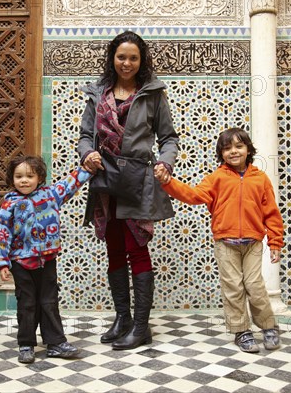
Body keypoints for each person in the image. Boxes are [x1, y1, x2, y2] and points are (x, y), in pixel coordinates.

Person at [77, 31, 179, 350]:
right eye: (121, 56)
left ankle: (140, 326)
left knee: (137, 249)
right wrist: (87, 154)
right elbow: (83, 136)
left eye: (133, 57)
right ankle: (122, 319)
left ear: (141, 60)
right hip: (106, 180)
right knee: (114, 249)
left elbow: (169, 138)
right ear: (112, 57)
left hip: (137, 179)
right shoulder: (97, 94)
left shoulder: (153, 94)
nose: (127, 63)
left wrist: (165, 162)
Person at [154, 128, 283, 353]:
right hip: (225, 242)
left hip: (253, 242)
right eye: (227, 148)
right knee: (233, 287)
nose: (233, 151)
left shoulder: (260, 178)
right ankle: (241, 331)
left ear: (248, 149)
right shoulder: (217, 178)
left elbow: (271, 212)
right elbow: (193, 196)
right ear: (221, 153)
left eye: (238, 146)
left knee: (255, 286)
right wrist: (168, 182)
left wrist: (275, 242)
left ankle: (268, 327)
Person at [0, 155, 91, 363]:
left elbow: (70, 184)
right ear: (12, 179)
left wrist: (88, 169)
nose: (24, 180)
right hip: (21, 262)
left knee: (49, 301)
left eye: (30, 176)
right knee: (27, 303)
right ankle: (26, 344)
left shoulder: (51, 195)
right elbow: (2, 233)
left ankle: (55, 343)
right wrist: (2, 261)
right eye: (18, 176)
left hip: (47, 261)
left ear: (40, 177)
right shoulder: (9, 204)